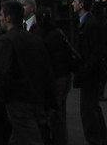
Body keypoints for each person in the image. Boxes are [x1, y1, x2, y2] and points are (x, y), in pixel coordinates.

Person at [0, 0, 54, 145]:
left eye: (1, 15)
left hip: (18, 99)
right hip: (37, 96)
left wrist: (0, 98)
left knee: (30, 137)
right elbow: (47, 70)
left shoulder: (5, 42)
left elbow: (4, 73)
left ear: (8, 18)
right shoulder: (36, 40)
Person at [72, 0, 107, 145]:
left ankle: (95, 140)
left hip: (90, 74)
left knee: (88, 110)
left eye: (75, 1)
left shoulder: (90, 24)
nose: (72, 4)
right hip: (90, 72)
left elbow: (96, 51)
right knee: (92, 108)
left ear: (81, 5)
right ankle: (100, 139)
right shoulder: (86, 22)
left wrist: (85, 68)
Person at [35, 10, 76, 145]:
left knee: (55, 113)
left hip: (57, 77)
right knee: (59, 112)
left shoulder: (43, 34)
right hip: (64, 75)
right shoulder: (58, 32)